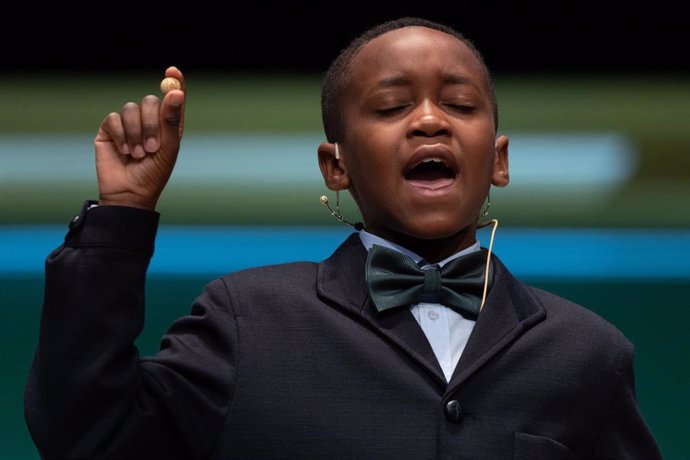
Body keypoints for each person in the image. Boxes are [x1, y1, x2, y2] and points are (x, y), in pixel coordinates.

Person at [24, 16, 661, 459]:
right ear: (337, 167)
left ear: (498, 159)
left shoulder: (588, 353)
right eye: (391, 107)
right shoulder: (247, 320)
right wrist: (121, 217)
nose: (430, 121)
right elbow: (85, 436)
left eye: (459, 105)